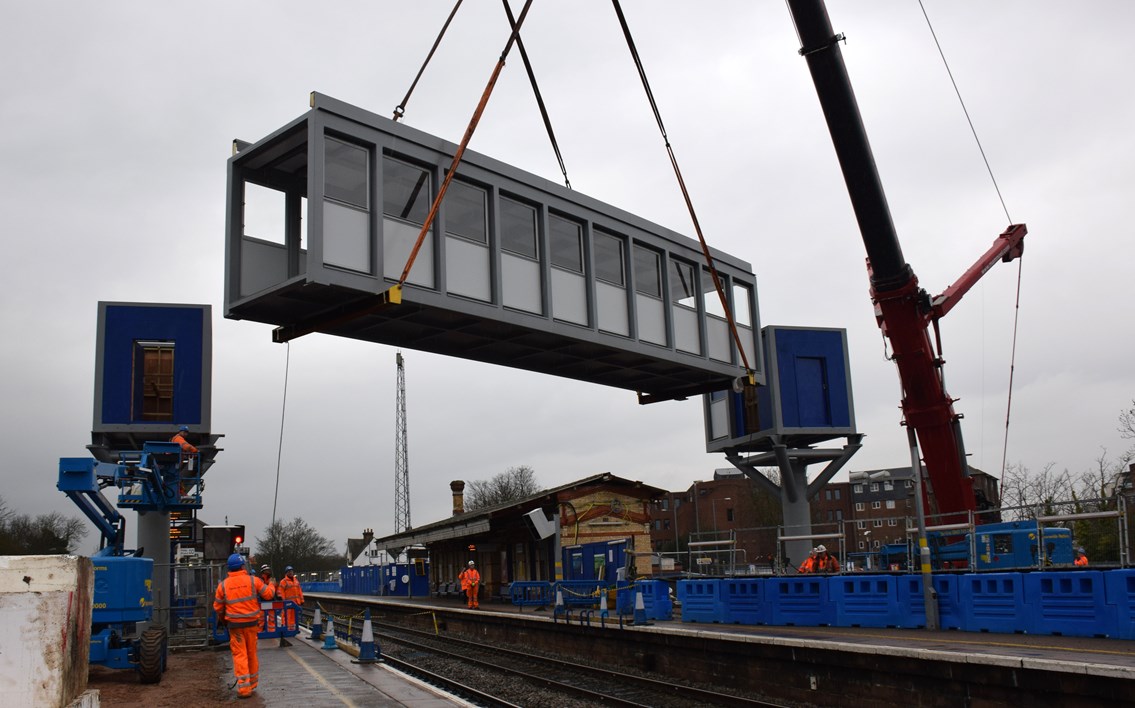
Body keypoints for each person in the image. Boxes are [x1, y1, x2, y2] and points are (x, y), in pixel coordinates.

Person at [214, 553, 275, 699]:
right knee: (251, 653)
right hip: (252, 625)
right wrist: (271, 583)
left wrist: (224, 620)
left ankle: (244, 688)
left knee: (240, 654)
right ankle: (252, 684)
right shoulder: (254, 581)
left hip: (234, 626)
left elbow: (218, 608)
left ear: (229, 568)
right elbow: (269, 595)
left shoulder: (223, 585)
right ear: (243, 566)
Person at [277, 565, 304, 644]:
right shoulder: (284, 581)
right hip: (288, 603)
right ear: (286, 573)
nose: (291, 573)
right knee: (287, 617)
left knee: (293, 617)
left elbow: (299, 591)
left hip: (295, 603)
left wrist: (302, 600)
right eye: (289, 571)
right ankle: (286, 629)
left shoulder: (296, 581)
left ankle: (292, 630)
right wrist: (283, 601)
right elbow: (281, 592)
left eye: (291, 571)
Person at [170, 425, 198, 498]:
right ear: (180, 432)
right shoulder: (178, 438)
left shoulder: (176, 438)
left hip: (174, 463)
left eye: (186, 432)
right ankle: (181, 494)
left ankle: (180, 493)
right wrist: (195, 451)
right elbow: (187, 446)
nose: (185, 434)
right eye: (184, 432)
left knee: (177, 478)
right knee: (176, 478)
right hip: (173, 463)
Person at [259, 564, 279, 633]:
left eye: (268, 570)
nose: (268, 572)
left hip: (271, 601)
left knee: (272, 618)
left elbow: (276, 589)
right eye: (266, 570)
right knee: (261, 619)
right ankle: (260, 632)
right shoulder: (260, 581)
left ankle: (271, 631)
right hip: (262, 601)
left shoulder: (272, 580)